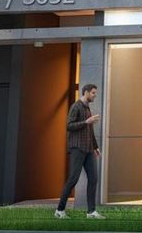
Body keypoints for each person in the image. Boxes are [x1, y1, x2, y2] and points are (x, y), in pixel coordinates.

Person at [55, 84, 105, 220]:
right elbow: (69, 126)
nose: (95, 95)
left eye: (95, 93)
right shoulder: (76, 106)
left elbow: (89, 129)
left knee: (93, 179)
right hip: (77, 148)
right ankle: (59, 210)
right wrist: (86, 122)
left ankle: (91, 212)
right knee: (73, 179)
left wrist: (95, 146)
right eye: (93, 93)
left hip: (88, 149)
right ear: (86, 92)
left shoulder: (87, 107)